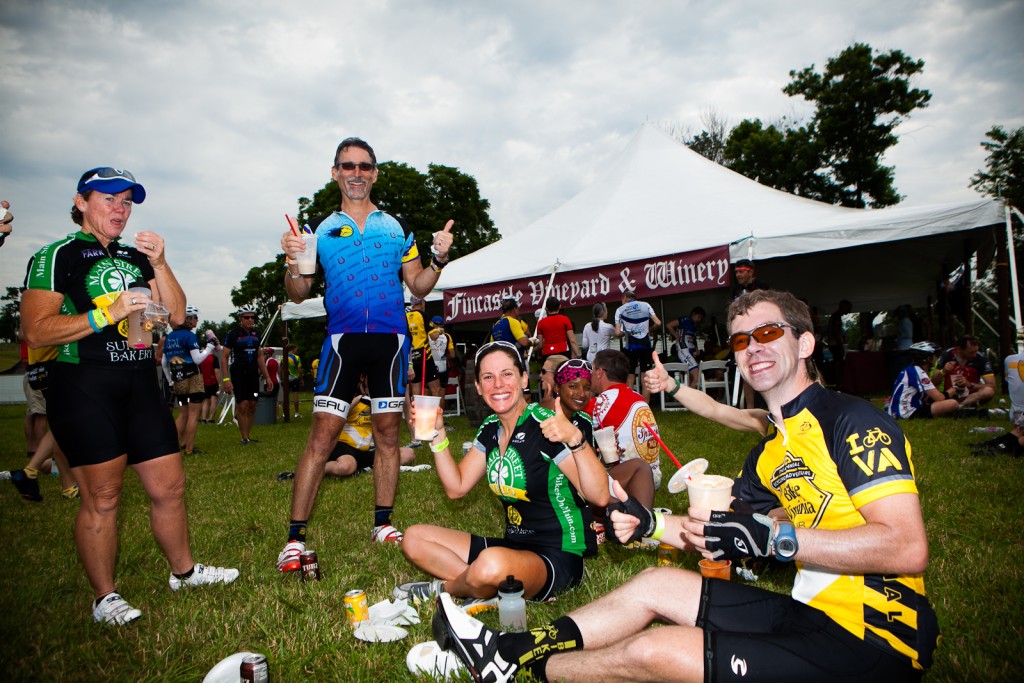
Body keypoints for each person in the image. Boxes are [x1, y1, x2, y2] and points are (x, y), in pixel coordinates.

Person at [433, 289, 938, 683]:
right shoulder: (770, 451)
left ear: (804, 343)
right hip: (809, 615)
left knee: (654, 651)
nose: (752, 348)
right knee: (653, 585)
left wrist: (773, 538)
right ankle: (505, 655)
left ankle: (515, 664)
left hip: (876, 641)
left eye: (768, 333)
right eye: (741, 340)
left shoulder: (853, 421)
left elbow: (906, 546)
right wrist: (649, 522)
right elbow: (715, 532)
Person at [20, 167, 237, 625]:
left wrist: (159, 263)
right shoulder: (56, 255)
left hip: (139, 380)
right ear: (81, 202)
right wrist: (107, 312)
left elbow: (176, 316)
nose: (120, 209)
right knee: (103, 494)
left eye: (127, 202)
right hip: (84, 382)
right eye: (109, 199)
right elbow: (35, 328)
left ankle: (185, 571)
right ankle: (105, 598)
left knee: (170, 486)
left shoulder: (134, 258)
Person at [277, 136, 454, 568]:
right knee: (322, 436)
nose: (356, 174)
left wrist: (440, 259)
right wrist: (291, 260)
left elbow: (418, 286)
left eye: (364, 166)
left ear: (374, 173)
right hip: (343, 341)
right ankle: (295, 538)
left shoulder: (395, 229)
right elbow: (299, 293)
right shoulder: (320, 232)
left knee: (388, 435)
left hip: (391, 342)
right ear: (335, 173)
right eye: (347, 166)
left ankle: (383, 523)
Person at [398, 341, 609, 605]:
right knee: (414, 538)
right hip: (512, 548)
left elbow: (600, 497)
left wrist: (576, 439)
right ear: (478, 387)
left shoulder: (546, 426)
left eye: (507, 374)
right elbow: (457, 488)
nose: (498, 384)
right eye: (488, 377)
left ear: (523, 379)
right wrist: (438, 435)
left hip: (557, 555)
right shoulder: (490, 429)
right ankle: (483, 584)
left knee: (490, 564)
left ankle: (449, 588)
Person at [553, 356, 652, 544]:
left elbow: (590, 466)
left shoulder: (584, 420)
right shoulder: (546, 418)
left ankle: (641, 529)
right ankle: (632, 522)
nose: (582, 393)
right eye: (573, 386)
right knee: (612, 501)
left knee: (640, 467)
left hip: (588, 485)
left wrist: (604, 458)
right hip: (562, 490)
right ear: (557, 388)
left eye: (587, 387)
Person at [280, 377, 418, 479]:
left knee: (409, 454)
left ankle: (364, 467)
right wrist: (358, 399)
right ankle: (305, 473)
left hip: (366, 450)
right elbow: (331, 417)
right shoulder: (350, 396)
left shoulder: (380, 401)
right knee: (347, 466)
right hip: (343, 446)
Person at [588, 349, 663, 489]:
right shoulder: (639, 398)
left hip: (629, 481)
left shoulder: (600, 403)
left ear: (599, 372)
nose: (589, 376)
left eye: (591, 370)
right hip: (654, 478)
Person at [162, 305, 217, 456]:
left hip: (177, 378)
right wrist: (209, 348)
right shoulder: (189, 335)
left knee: (183, 413)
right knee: (194, 414)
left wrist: (170, 381)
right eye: (195, 318)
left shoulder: (169, 337)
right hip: (193, 376)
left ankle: (172, 446)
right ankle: (189, 449)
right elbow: (197, 359)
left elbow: (163, 363)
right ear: (188, 319)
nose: (197, 320)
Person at [221, 306, 273, 445]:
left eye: (252, 317)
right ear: (240, 319)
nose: (250, 320)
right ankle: (244, 437)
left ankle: (248, 436)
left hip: (252, 373)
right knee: (243, 404)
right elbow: (224, 357)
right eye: (246, 317)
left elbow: (260, 356)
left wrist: (267, 376)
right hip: (238, 371)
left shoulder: (256, 334)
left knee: (252, 404)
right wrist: (226, 379)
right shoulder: (233, 334)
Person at [887, 341, 962, 420]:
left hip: (899, 411)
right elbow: (939, 398)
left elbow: (928, 396)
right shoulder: (919, 372)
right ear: (927, 358)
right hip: (906, 413)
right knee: (953, 404)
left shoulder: (912, 369)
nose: (937, 358)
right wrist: (954, 389)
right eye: (934, 356)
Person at [613, 290, 661, 403]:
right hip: (645, 345)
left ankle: (631, 406)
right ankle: (645, 407)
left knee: (630, 376)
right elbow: (658, 323)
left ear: (624, 298)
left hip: (631, 347)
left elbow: (617, 333)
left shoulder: (620, 310)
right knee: (646, 376)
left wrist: (625, 333)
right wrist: (650, 329)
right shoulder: (646, 305)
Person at [406, 296, 440, 447]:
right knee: (436, 389)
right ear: (421, 303)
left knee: (416, 394)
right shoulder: (424, 315)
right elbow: (433, 336)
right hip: (425, 356)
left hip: (412, 357)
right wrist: (438, 330)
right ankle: (436, 423)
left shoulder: (405, 316)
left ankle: (419, 427)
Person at [930, 334, 996, 408]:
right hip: (951, 393)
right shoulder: (947, 355)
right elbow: (934, 381)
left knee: (989, 391)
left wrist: (969, 384)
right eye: (971, 352)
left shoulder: (981, 359)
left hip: (972, 395)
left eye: (976, 351)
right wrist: (944, 371)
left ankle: (960, 406)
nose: (975, 355)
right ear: (959, 349)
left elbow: (991, 385)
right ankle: (959, 405)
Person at [666, 306, 706, 386]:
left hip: (689, 352)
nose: (699, 320)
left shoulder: (694, 326)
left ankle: (687, 396)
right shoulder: (685, 320)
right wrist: (676, 336)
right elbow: (669, 325)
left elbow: (692, 340)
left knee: (690, 378)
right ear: (693, 314)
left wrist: (696, 348)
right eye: (698, 317)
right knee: (697, 377)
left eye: (701, 318)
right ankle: (690, 398)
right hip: (683, 351)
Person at [489, 297, 534, 363]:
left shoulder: (495, 325)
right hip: (515, 360)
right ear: (514, 310)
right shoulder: (513, 321)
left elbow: (492, 347)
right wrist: (533, 342)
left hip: (502, 362)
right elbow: (524, 342)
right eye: (517, 309)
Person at [536, 296, 580, 361]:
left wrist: (533, 350)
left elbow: (540, 344)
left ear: (546, 308)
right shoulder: (565, 320)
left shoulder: (540, 323)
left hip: (547, 353)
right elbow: (572, 340)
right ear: (559, 306)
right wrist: (579, 355)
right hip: (563, 352)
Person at [428, 315, 456, 407]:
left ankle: (428, 416)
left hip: (430, 364)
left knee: (428, 392)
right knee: (441, 393)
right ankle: (440, 416)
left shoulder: (427, 334)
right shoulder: (447, 336)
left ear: (432, 324)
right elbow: (452, 355)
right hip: (442, 366)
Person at [827, 298, 853, 388]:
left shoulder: (836, 316)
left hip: (835, 343)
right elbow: (835, 332)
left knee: (838, 362)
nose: (849, 310)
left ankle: (838, 382)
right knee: (838, 362)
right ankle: (838, 383)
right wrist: (840, 343)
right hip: (835, 344)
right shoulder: (836, 317)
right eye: (848, 308)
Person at [198, 333, 222, 424]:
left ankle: (204, 418)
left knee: (206, 400)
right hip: (213, 381)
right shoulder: (214, 358)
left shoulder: (202, 358)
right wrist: (219, 383)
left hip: (204, 381)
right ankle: (211, 418)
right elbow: (216, 372)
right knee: (213, 399)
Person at [285, 343, 303, 418]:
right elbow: (299, 370)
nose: (296, 351)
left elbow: (281, 369)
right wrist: (301, 379)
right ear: (292, 349)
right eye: (296, 349)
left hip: (286, 379)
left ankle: (284, 413)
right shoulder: (296, 357)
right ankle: (296, 413)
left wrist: (283, 378)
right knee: (295, 395)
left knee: (286, 396)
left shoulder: (283, 357)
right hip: (295, 379)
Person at [264, 347, 282, 417]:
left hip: (269, 382)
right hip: (276, 381)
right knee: (275, 400)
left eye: (265, 354)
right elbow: (279, 371)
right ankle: (276, 415)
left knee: (268, 399)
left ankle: (269, 415)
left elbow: (265, 372)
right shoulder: (276, 361)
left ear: (268, 354)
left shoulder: (267, 362)